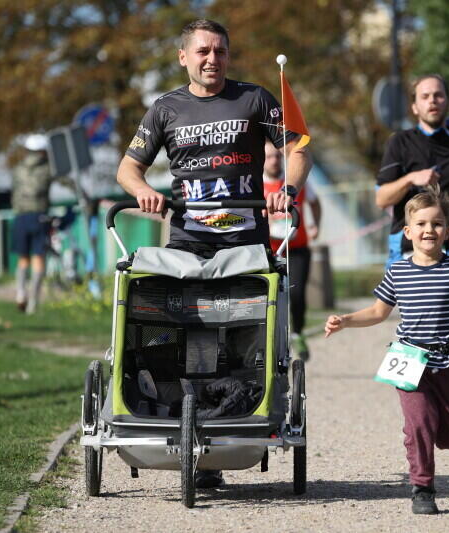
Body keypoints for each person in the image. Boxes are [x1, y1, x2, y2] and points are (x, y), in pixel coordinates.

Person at [115, 19, 312, 489]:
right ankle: (191, 435)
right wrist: (143, 191)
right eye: (203, 51)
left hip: (246, 244)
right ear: (183, 56)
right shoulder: (165, 109)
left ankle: (234, 426)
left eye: (220, 51)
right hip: (187, 241)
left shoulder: (255, 99)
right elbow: (127, 168)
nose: (212, 59)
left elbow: (299, 149)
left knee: (244, 342)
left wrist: (286, 190)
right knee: (187, 338)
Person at [324, 190, 449, 515]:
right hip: (409, 359)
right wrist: (346, 320)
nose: (429, 230)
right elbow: (378, 312)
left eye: (437, 224)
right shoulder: (398, 271)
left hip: (448, 361)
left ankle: (446, 431)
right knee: (418, 423)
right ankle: (422, 489)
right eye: (421, 224)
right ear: (408, 232)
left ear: (447, 231)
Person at [376, 74, 449, 270]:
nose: (432, 101)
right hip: (407, 251)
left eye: (438, 95)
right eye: (425, 96)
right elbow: (381, 199)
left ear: (448, 102)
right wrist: (410, 179)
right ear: (414, 107)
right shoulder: (399, 142)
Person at [263, 141, 321, 361]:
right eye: (269, 157)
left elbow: (315, 203)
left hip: (297, 248)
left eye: (277, 156)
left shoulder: (296, 182)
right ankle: (269, 338)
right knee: (269, 296)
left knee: (296, 294)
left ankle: (298, 333)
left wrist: (316, 225)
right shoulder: (256, 184)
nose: (274, 161)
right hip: (270, 251)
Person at [10, 134, 72, 314]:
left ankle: (20, 294)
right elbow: (66, 180)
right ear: (43, 151)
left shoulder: (18, 168)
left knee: (23, 258)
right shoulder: (48, 168)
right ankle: (33, 302)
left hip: (20, 216)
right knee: (38, 258)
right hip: (39, 217)